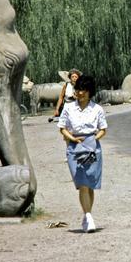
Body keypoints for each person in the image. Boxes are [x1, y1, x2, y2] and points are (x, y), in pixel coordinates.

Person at [57, 75, 107, 233]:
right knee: (82, 184)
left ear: (90, 92)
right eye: (78, 90)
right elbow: (62, 127)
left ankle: (87, 216)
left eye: (84, 91)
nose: (81, 93)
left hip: (92, 148)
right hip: (74, 148)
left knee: (90, 185)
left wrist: (92, 140)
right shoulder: (69, 107)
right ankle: (88, 216)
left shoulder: (97, 109)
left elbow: (103, 130)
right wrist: (72, 138)